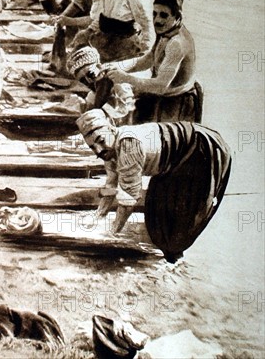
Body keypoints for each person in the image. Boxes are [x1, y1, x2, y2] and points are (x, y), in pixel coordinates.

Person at [76, 109, 232, 262]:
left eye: (101, 141)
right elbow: (111, 186)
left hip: (198, 149)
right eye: (92, 147)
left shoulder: (128, 146)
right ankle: (169, 254)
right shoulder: (108, 152)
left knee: (182, 217)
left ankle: (174, 258)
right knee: (155, 217)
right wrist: (98, 216)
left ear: (111, 128)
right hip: (171, 162)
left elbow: (128, 200)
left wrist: (110, 233)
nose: (98, 150)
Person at [101, 0, 202, 123]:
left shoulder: (177, 43)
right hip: (162, 95)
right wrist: (116, 66)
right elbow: (148, 60)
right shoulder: (166, 31)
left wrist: (125, 77)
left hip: (177, 103)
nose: (157, 20)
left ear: (178, 17)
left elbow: (160, 86)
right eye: (154, 14)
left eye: (163, 15)